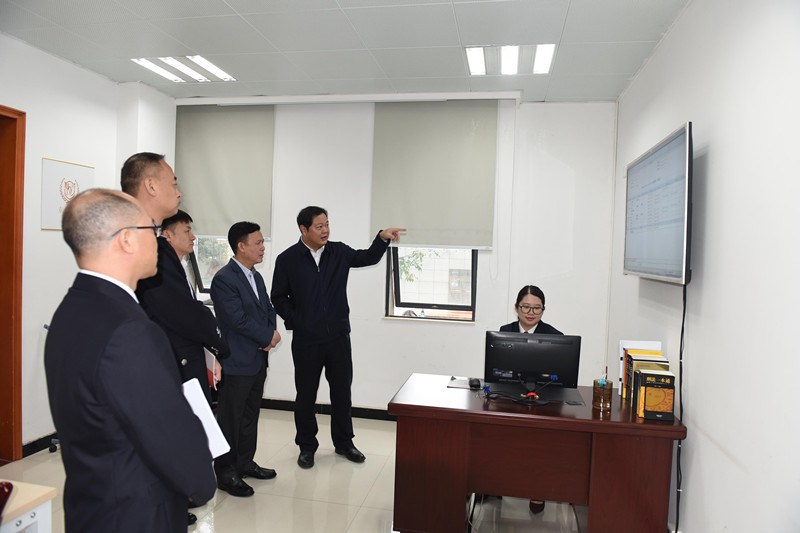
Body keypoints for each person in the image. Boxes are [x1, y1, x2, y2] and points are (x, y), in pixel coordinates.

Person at [44, 189, 216, 533]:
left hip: (90, 504)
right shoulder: (131, 330)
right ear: (126, 239)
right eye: (152, 231)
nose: (159, 241)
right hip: (136, 512)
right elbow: (168, 434)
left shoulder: (71, 309)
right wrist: (201, 482)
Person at [121, 152, 228, 524]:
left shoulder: (151, 239)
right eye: (174, 182)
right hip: (160, 357)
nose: (179, 191)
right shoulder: (138, 240)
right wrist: (217, 339)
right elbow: (172, 309)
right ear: (151, 186)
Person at [271, 206, 404, 469]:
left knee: (342, 393)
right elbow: (278, 296)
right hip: (307, 340)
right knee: (306, 395)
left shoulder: (338, 252)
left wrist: (382, 238)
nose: (325, 231)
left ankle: (344, 443)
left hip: (337, 337)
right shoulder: (288, 259)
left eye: (327, 225)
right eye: (319, 226)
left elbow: (367, 257)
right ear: (304, 229)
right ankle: (307, 446)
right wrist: (298, 321)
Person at [210, 222, 280, 497]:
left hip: (257, 358)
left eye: (263, 242)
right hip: (237, 361)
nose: (263, 248)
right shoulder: (224, 279)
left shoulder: (255, 277)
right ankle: (226, 473)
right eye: (258, 243)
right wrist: (267, 337)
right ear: (241, 246)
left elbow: (268, 309)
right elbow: (236, 319)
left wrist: (270, 335)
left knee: (250, 416)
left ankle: (245, 463)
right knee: (230, 419)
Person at [500, 284, 563, 514]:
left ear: (543, 310)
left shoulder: (555, 336)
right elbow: (499, 371)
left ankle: (537, 489)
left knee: (540, 442)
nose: (530, 312)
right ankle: (494, 482)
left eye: (537, 308)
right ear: (516, 307)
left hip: (543, 399)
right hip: (510, 396)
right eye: (525, 307)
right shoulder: (504, 331)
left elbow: (560, 379)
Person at [160, 209, 223, 400]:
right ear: (168, 235)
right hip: (176, 360)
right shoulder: (161, 271)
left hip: (192, 355)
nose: (193, 237)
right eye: (187, 231)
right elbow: (186, 316)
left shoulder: (180, 269)